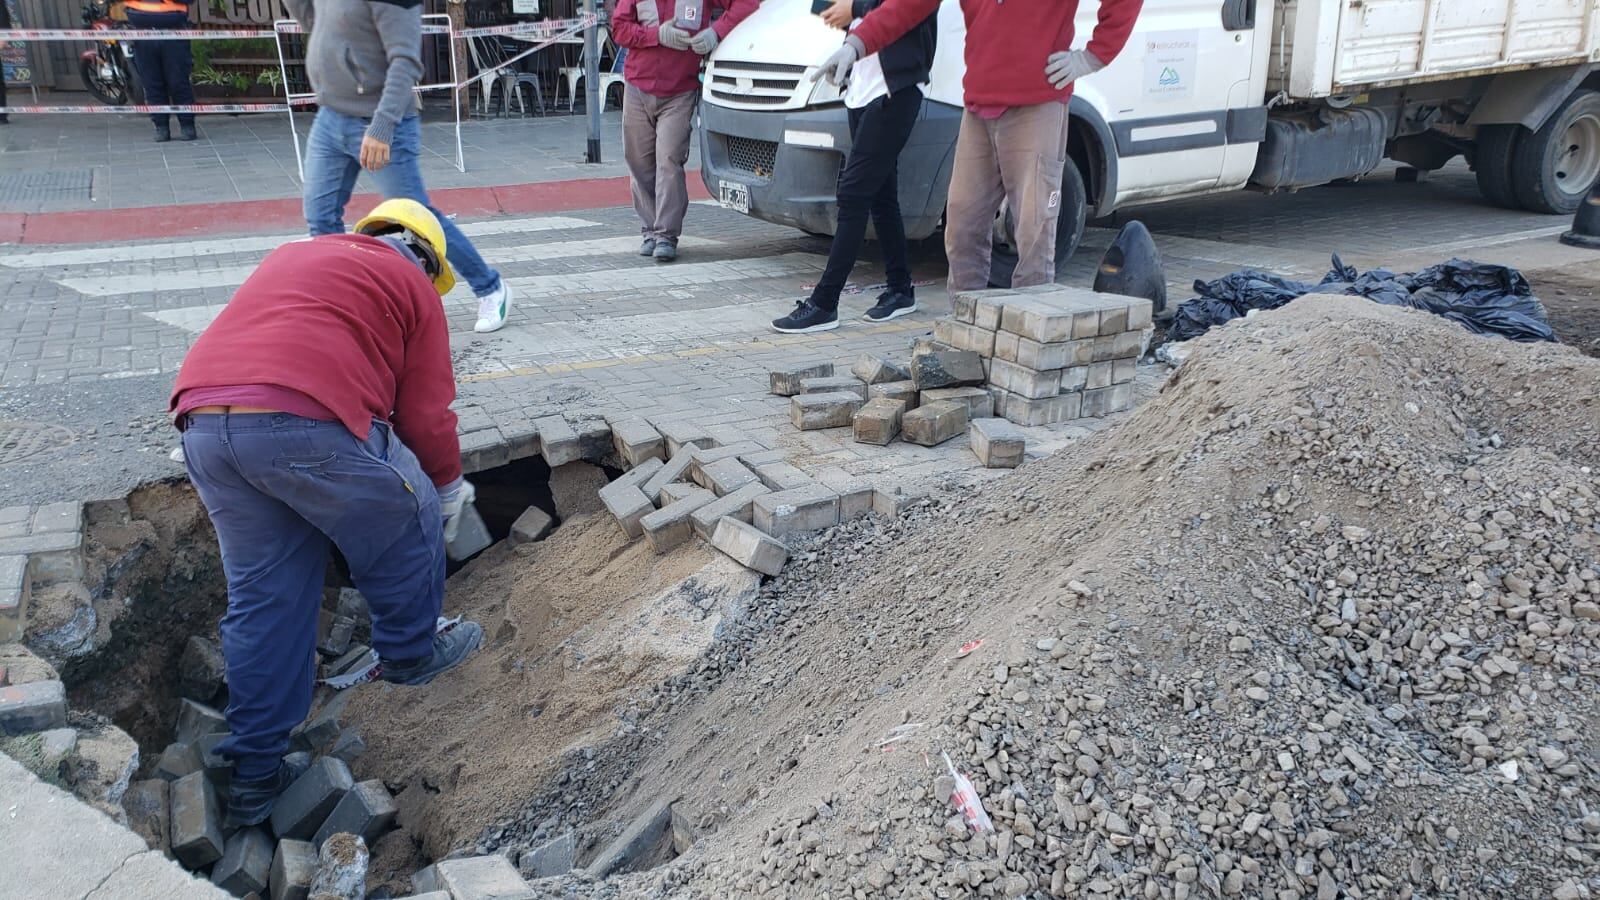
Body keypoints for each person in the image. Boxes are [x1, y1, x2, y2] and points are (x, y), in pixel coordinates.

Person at [168, 199, 485, 828]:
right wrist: (447, 489)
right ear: (426, 260)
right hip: (301, 420)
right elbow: (423, 413)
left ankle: (255, 775)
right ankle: (411, 653)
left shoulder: (296, 254)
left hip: (205, 426)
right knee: (409, 502)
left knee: (268, 595)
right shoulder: (407, 282)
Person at [818, 0, 1142, 291]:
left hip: (1036, 105)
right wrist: (856, 45)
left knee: (1034, 237)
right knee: (962, 231)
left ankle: (1028, 339)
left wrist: (1094, 56)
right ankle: (963, 327)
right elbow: (908, 4)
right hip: (978, 106)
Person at [283, 0, 513, 333]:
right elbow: (314, 22)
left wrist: (382, 127)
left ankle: (490, 287)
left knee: (419, 219)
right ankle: (339, 304)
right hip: (331, 115)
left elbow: (405, 62)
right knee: (320, 216)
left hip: (382, 122)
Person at [771, 0, 937, 333]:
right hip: (860, 88)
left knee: (853, 193)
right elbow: (831, 6)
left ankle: (825, 302)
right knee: (881, 194)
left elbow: (898, 9)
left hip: (895, 90)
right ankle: (901, 290)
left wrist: (855, 6)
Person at [612, 0, 757, 262]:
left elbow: (747, 3)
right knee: (638, 161)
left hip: (680, 90)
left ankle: (666, 235)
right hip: (637, 86)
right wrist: (656, 35)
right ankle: (650, 230)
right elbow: (619, 29)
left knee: (668, 160)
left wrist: (716, 32)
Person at [122, 0, 197, 141]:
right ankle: (161, 127)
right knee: (152, 84)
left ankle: (187, 125)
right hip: (142, 34)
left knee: (178, 82)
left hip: (173, 33)